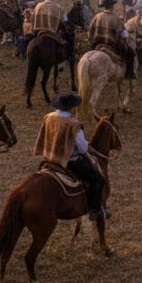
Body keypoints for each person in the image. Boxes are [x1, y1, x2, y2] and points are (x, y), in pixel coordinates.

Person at [33, 92, 107, 220]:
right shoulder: (73, 124)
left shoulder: (49, 117)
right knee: (98, 180)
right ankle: (95, 210)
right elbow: (83, 149)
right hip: (70, 161)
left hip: (50, 157)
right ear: (72, 107)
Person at [89, 0, 136, 79]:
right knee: (130, 53)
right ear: (111, 6)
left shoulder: (97, 16)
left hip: (97, 43)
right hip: (111, 44)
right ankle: (129, 74)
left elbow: (90, 31)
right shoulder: (115, 18)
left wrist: (92, 41)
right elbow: (124, 34)